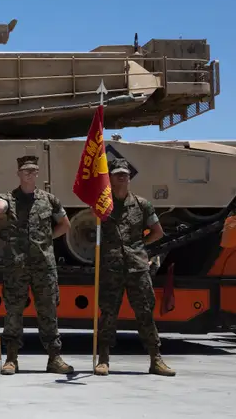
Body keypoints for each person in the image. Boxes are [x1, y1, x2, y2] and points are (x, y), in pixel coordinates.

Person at [0, 155, 74, 375]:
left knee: (48, 311)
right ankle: (11, 358)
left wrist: (47, 239)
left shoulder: (49, 200)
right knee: (13, 311)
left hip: (44, 265)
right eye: (25, 171)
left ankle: (54, 357)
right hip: (17, 266)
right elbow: (0, 206)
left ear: (38, 174)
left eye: (33, 171)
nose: (30, 174)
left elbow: (65, 225)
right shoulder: (9, 198)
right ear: (19, 174)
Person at [94, 157, 175, 377]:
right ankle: (103, 359)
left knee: (145, 313)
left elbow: (157, 232)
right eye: (118, 173)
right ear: (110, 178)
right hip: (111, 268)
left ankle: (155, 359)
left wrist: (139, 246)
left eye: (126, 174)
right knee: (108, 313)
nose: (122, 177)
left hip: (137, 267)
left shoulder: (142, 204)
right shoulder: (102, 205)